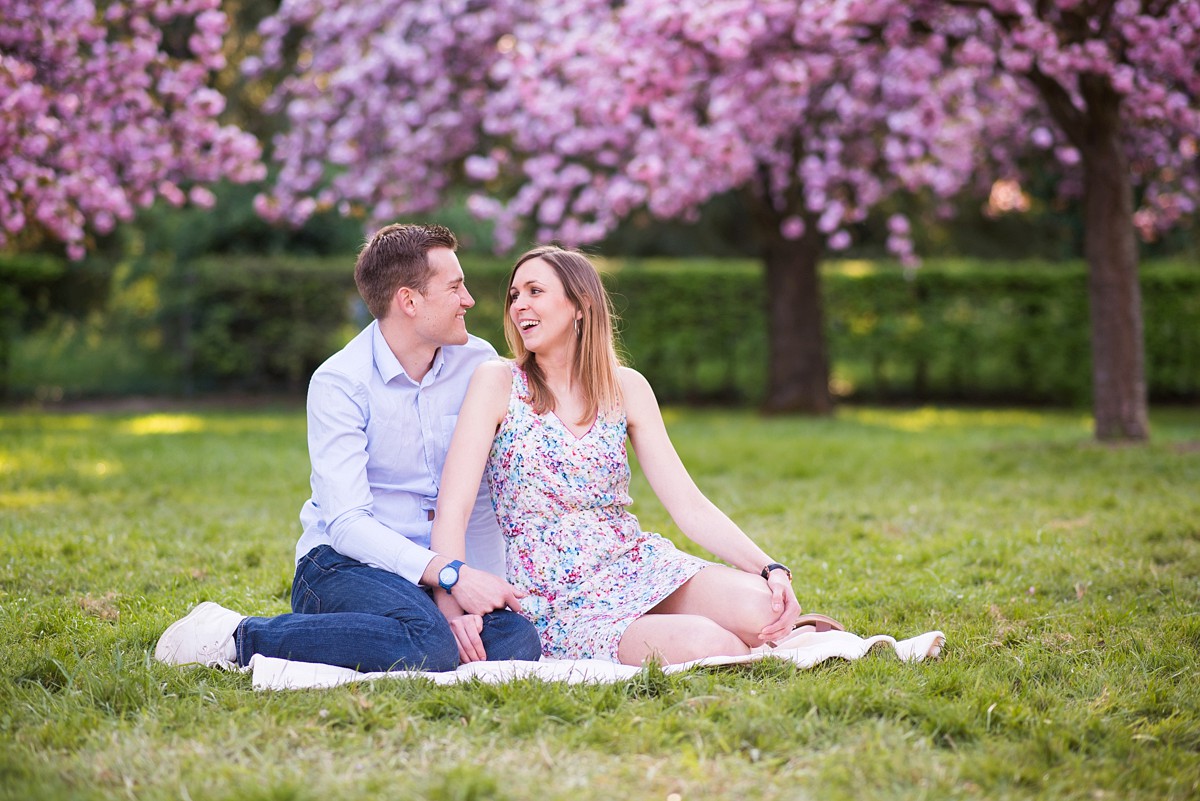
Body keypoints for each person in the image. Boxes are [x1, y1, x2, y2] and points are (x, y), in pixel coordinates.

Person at [154, 223, 542, 672]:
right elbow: (346, 525)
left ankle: (384, 635)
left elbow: (476, 500)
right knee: (429, 645)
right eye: (455, 287)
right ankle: (235, 635)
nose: (469, 300)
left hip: (433, 576)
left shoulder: (479, 364)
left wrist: (462, 598)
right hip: (343, 565)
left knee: (516, 638)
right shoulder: (340, 383)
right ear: (409, 301)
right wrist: (451, 576)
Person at [428, 245, 832, 667]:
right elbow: (452, 508)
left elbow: (689, 505)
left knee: (764, 608)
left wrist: (771, 569)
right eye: (514, 295)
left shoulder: (627, 387)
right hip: (559, 597)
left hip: (633, 562)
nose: (519, 306)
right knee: (706, 645)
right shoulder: (496, 382)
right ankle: (733, 639)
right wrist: (452, 612)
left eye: (534, 291)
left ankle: (756, 631)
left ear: (579, 305)